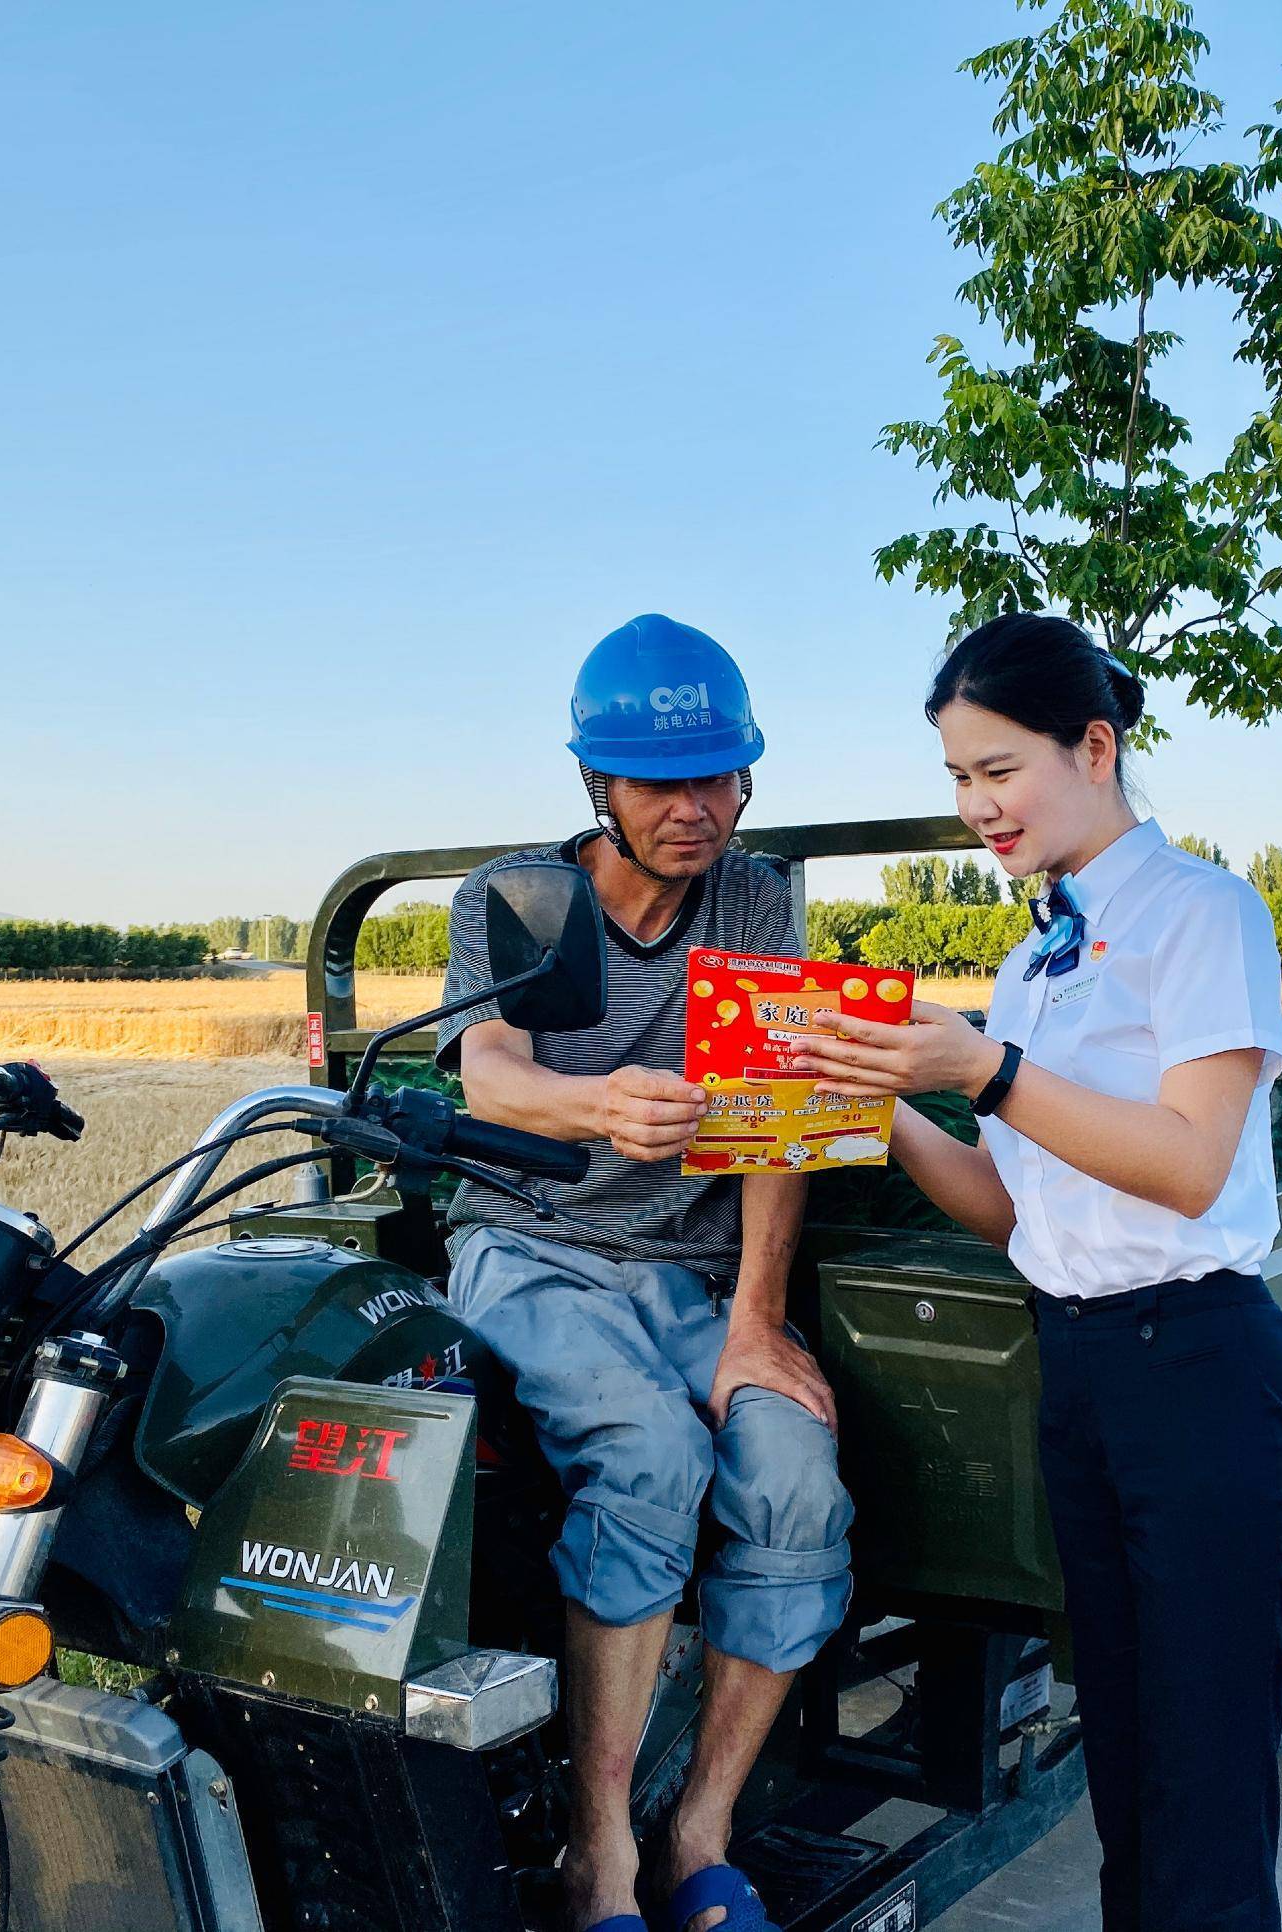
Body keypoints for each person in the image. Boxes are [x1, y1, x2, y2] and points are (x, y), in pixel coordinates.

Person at [789, 612, 1282, 1932]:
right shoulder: (1034, 959)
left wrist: (982, 1070)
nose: (977, 808)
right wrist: (881, 1106)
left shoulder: (1204, 914)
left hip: (1201, 1373)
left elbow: (1194, 1165)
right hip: (1080, 1378)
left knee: (1204, 1793)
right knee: (1129, 1780)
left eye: (999, 771)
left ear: (1095, 747)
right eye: (958, 781)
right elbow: (1012, 1210)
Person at [437, 614, 850, 1932]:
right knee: (648, 1455)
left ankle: (703, 1831)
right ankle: (600, 1851)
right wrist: (596, 1104)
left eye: (721, 777)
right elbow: (488, 1069)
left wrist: (755, 1325)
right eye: (664, 784)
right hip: (530, 1243)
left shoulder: (757, 898)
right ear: (597, 791)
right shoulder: (515, 898)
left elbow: (781, 1118)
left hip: (694, 1272)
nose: (697, 808)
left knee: (790, 1473)